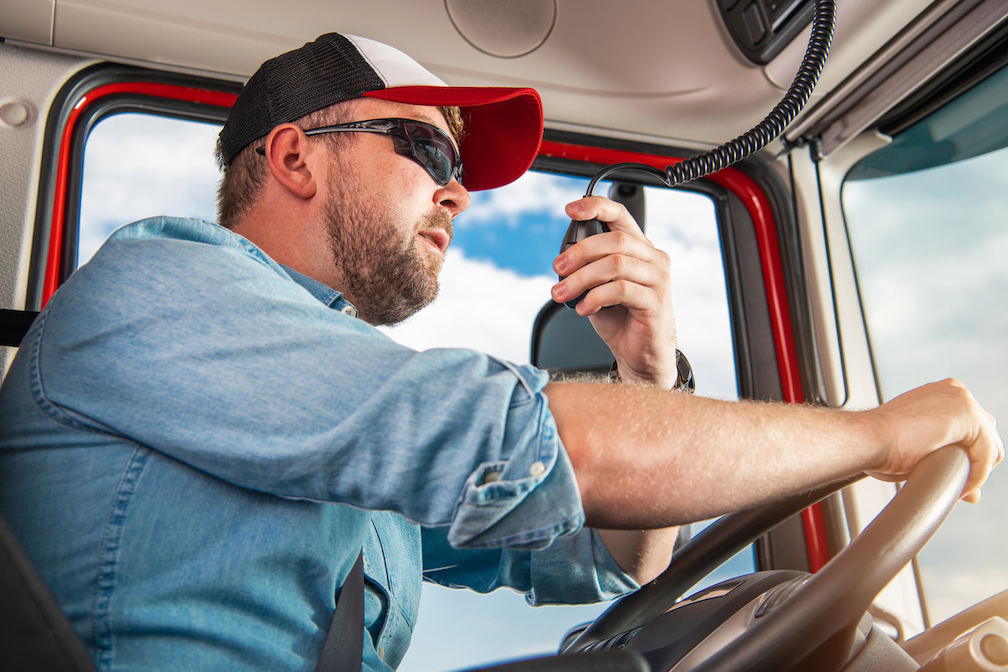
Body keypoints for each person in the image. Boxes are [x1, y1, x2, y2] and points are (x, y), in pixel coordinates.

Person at [0, 32, 1001, 672]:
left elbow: (604, 560)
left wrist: (647, 372)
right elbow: (565, 454)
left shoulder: (321, 402)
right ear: (297, 155)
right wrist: (876, 435)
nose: (457, 193)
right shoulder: (163, 289)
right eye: (428, 151)